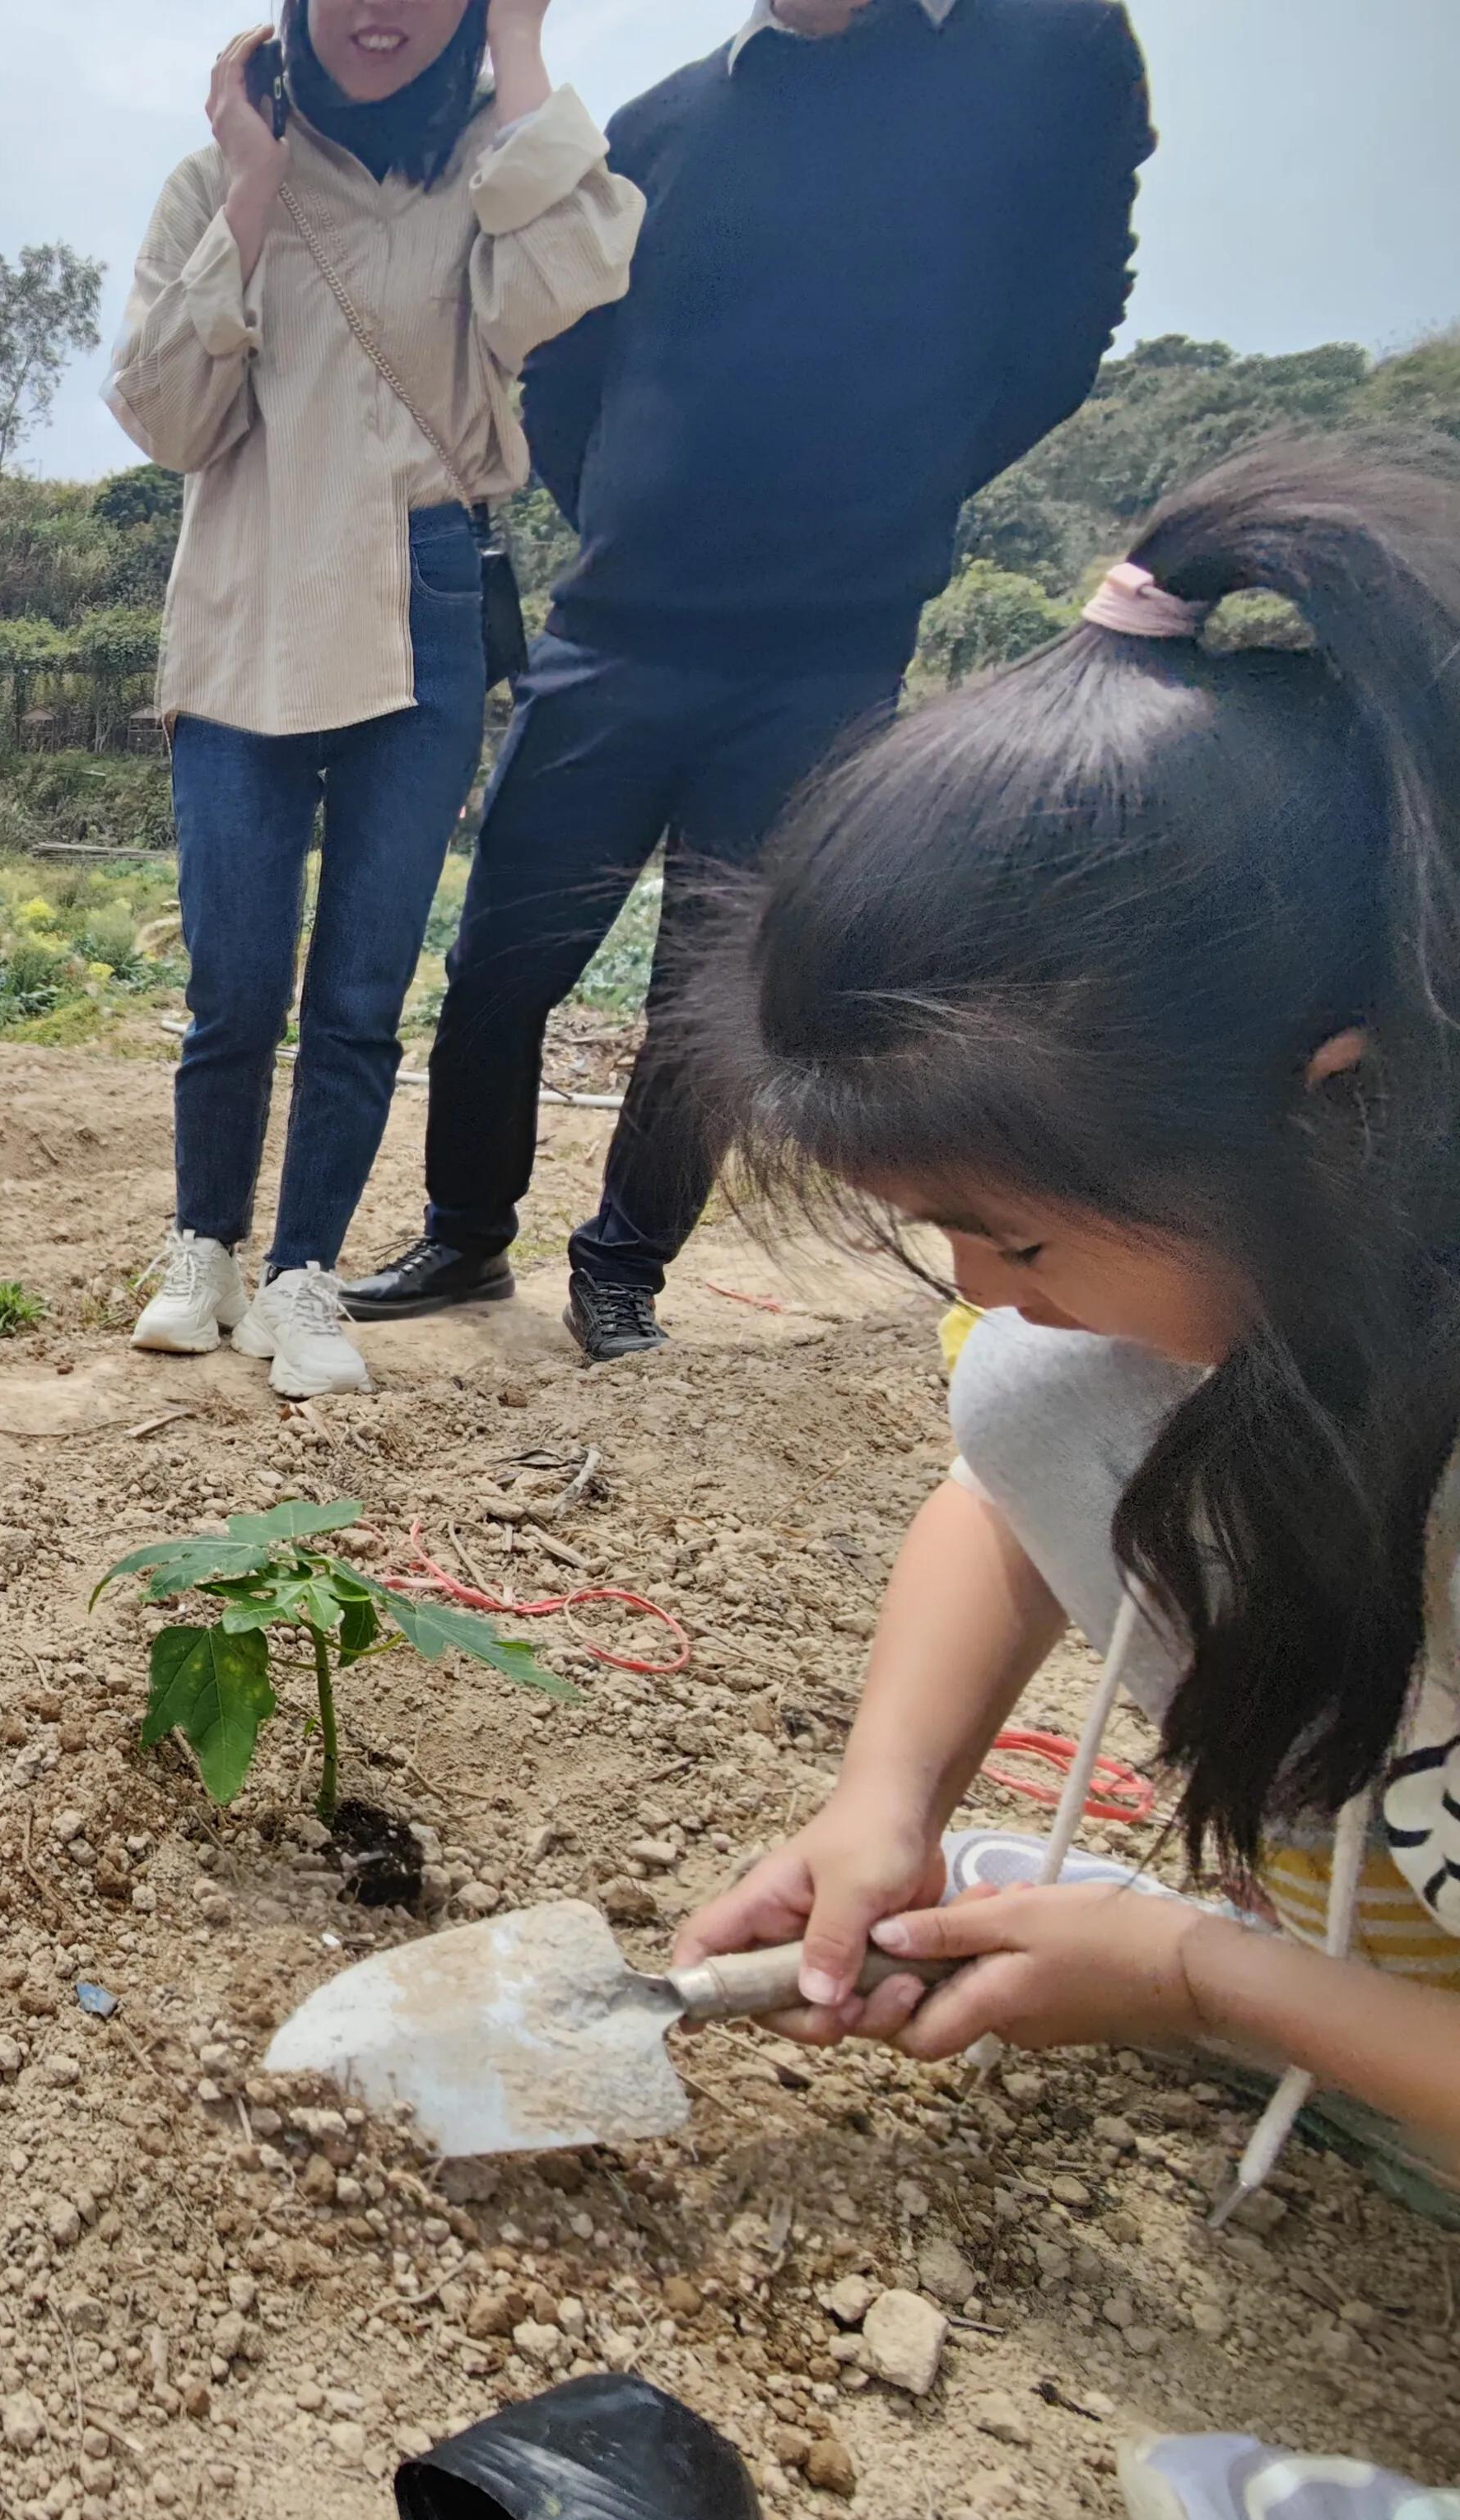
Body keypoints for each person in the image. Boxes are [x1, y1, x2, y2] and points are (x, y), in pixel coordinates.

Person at [673, 440, 1460, 2195]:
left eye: (1013, 1233)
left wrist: (1194, 1978)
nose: (977, 1287)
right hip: (1359, 2001)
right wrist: (886, 1801)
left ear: (1339, 1108)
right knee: (1044, 1391)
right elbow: (1007, 1501)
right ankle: (1344, 1999)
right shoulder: (1233, 1300)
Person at [347, 0, 1154, 1361]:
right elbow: (565, 362)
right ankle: (467, 1232)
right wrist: (623, 516)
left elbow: (1066, 327)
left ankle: (622, 1269)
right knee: (498, 963)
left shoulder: (1022, 67)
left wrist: (901, 482)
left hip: (825, 655)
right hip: (615, 629)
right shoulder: (662, 126)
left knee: (712, 1000)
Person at [108, 0, 639, 1397]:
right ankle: (205, 1247)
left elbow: (574, 280)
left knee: (359, 985)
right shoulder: (212, 183)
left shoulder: (484, 176)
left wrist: (521, 54)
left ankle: (303, 1272)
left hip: (422, 593)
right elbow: (167, 420)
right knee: (233, 981)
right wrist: (252, 183)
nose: (380, 9)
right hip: (249, 586)